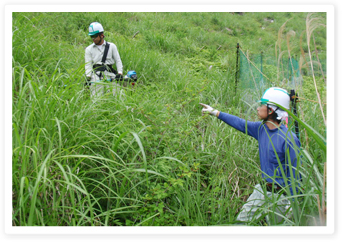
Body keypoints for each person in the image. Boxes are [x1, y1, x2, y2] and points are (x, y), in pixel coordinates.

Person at [200, 87, 302, 225]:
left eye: (262, 105)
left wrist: (292, 202)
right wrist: (216, 112)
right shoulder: (261, 129)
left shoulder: (289, 139)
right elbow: (240, 123)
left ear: (271, 110)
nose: (258, 108)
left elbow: (295, 173)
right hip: (263, 189)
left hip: (281, 197)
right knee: (241, 223)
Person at [85, 22, 123, 98]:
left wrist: (120, 73)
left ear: (101, 35)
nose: (93, 39)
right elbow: (88, 65)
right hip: (96, 76)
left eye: (95, 36)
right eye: (91, 36)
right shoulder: (89, 49)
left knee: (118, 96)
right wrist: (88, 77)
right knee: (96, 99)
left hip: (110, 74)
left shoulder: (112, 46)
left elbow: (118, 60)